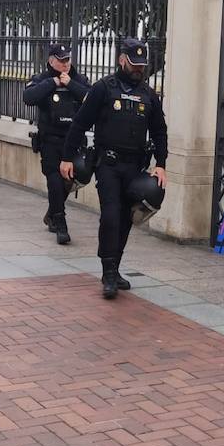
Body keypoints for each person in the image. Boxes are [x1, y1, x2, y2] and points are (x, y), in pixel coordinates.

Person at [62, 38, 168, 299]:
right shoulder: (103, 88)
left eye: (141, 65)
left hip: (135, 166)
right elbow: (79, 123)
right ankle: (107, 273)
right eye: (133, 63)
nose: (138, 69)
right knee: (110, 216)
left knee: (125, 220)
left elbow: (159, 131)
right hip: (108, 164)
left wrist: (162, 164)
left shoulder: (148, 94)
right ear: (122, 60)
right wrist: (66, 157)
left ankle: (115, 267)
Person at [24, 43, 89, 245]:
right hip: (50, 139)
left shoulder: (78, 79)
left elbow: (91, 98)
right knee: (54, 180)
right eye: (61, 60)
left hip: (73, 141)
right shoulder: (42, 79)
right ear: (51, 61)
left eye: (67, 60)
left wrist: (70, 84)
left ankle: (52, 212)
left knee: (69, 180)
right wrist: (53, 82)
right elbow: (28, 97)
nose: (65, 64)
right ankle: (60, 223)